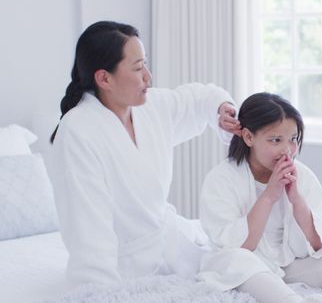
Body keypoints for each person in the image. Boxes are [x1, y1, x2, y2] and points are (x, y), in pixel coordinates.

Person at [49, 20, 241, 285]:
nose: (148, 77)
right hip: (126, 270)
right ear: (104, 78)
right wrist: (98, 289)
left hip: (172, 249)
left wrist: (221, 109)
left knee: (248, 264)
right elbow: (87, 228)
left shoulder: (148, 107)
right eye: (138, 68)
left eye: (145, 64)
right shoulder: (78, 131)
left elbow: (200, 98)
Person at [198, 92, 322, 303]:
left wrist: (296, 199)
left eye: (293, 139)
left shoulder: (302, 174)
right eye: (275, 140)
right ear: (248, 137)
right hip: (246, 265)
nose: (287, 150)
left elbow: (319, 243)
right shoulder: (221, 179)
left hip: (290, 262)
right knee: (239, 260)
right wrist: (269, 196)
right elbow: (240, 246)